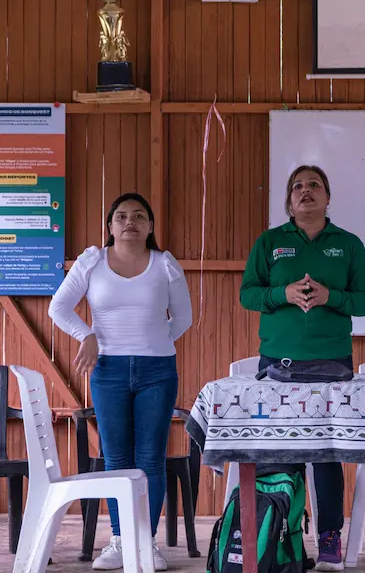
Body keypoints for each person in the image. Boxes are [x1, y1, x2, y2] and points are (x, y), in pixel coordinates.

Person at [239, 164, 365, 571]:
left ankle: (330, 536)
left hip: (332, 363)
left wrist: (331, 296)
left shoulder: (348, 244)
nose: (306, 191)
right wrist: (283, 292)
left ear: (328, 197)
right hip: (277, 363)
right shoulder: (270, 242)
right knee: (283, 451)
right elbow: (248, 294)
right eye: (297, 186)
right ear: (289, 199)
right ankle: (287, 532)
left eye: (315, 185)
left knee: (327, 452)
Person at [48, 193, 193, 571]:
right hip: (107, 371)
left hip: (157, 372)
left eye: (139, 216)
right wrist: (86, 335)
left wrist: (152, 341)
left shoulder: (165, 265)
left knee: (150, 458)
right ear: (110, 225)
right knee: (116, 458)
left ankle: (145, 543)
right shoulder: (92, 262)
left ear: (150, 226)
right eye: (122, 216)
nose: (131, 222)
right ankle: (119, 540)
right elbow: (58, 308)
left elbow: (183, 318)